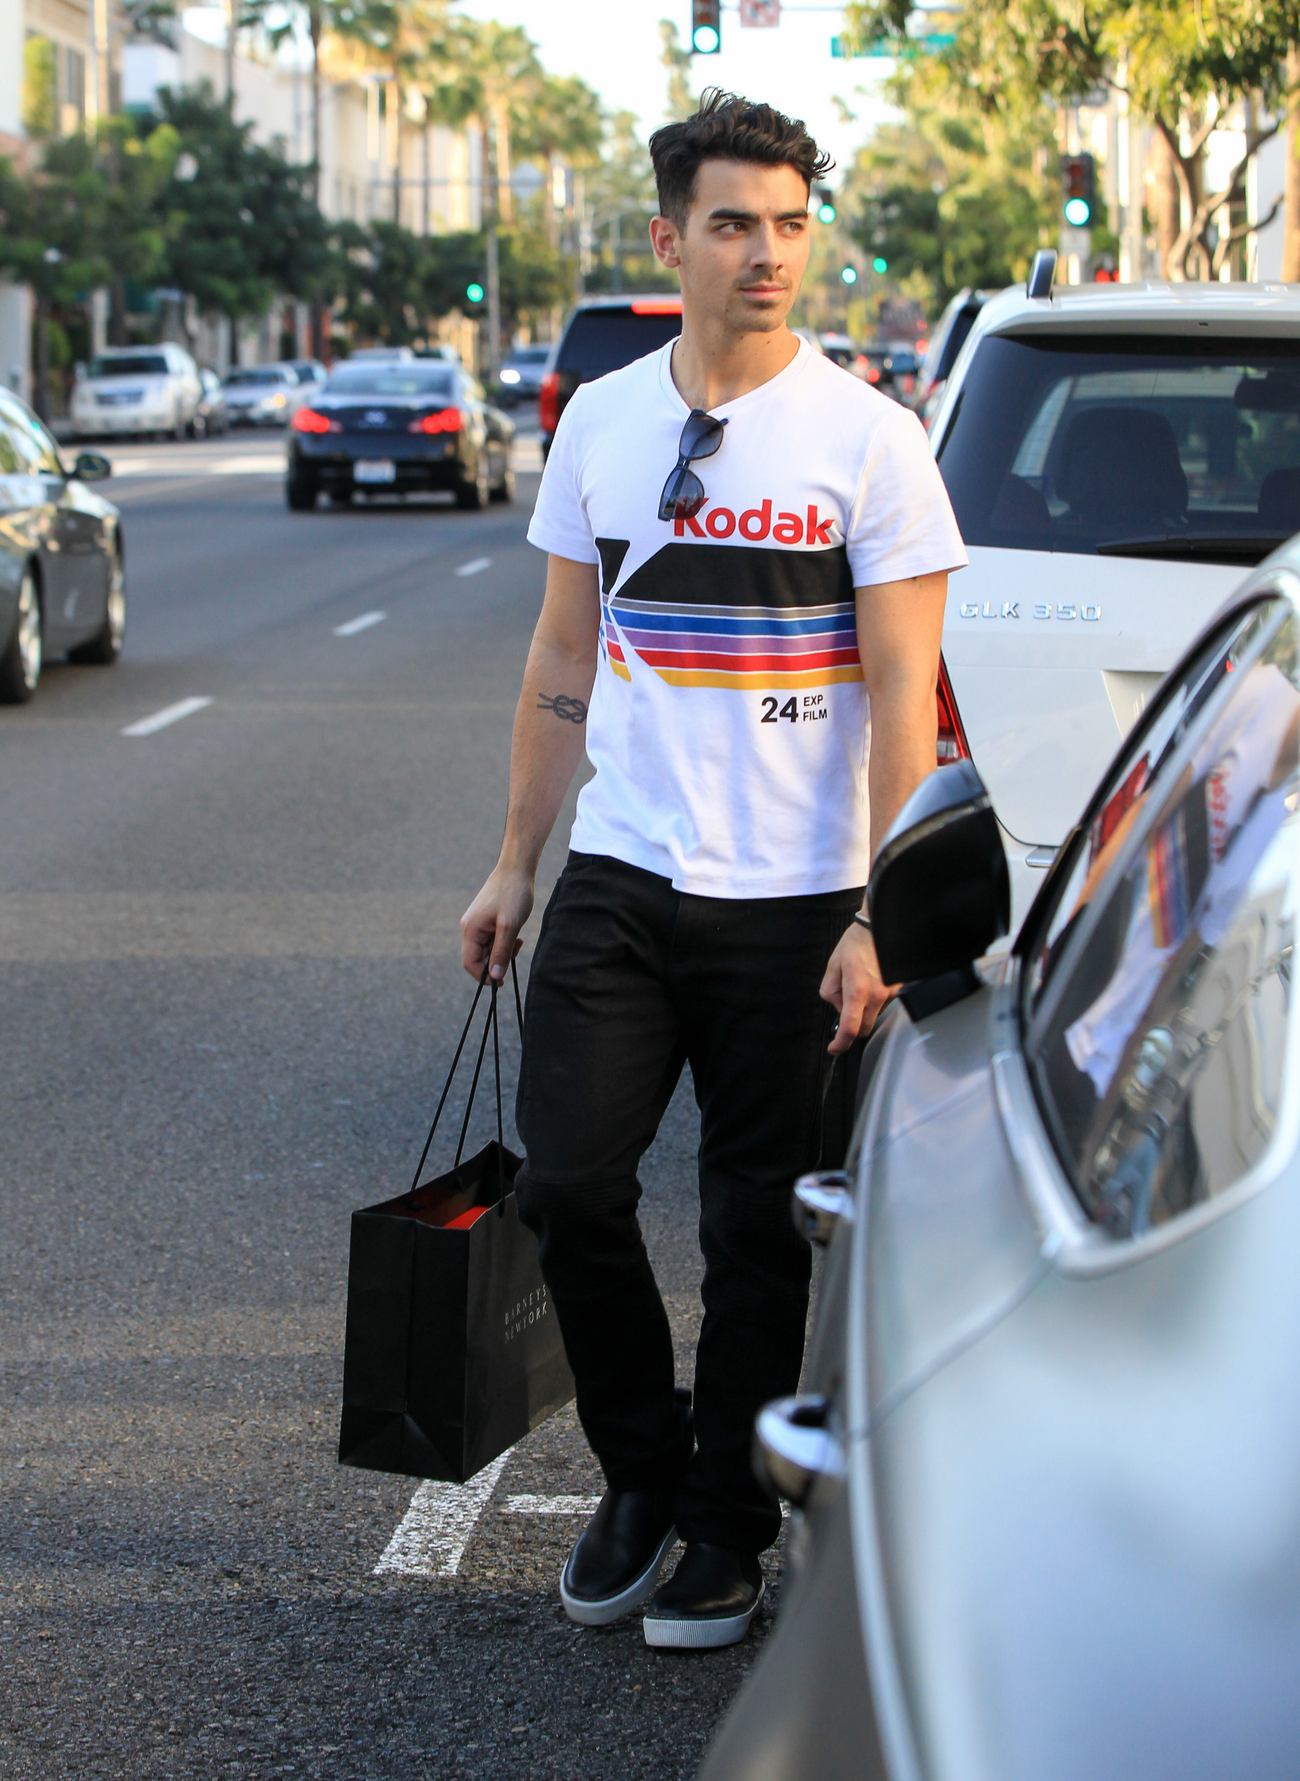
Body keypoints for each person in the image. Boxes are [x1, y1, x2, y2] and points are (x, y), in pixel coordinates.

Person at [460, 88, 966, 1650]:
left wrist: (883, 909)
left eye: (792, 223)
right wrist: (512, 867)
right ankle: (642, 1466)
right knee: (567, 1180)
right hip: (624, 868)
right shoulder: (603, 422)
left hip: (802, 898)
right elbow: (562, 651)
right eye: (735, 223)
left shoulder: (870, 442)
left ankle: (727, 1527)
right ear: (669, 236)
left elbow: (905, 698)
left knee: (755, 1221)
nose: (768, 253)